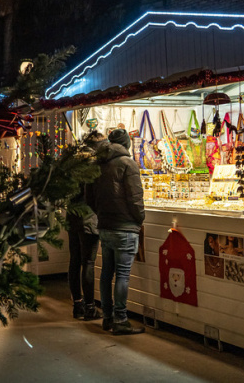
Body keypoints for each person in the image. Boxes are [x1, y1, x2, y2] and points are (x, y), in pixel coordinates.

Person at [88, 128, 145, 335]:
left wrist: (101, 215)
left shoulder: (98, 164)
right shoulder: (128, 164)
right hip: (125, 227)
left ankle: (107, 317)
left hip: (105, 226)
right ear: (127, 144)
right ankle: (120, 319)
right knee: (122, 274)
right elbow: (135, 198)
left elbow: (89, 197)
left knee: (106, 273)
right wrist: (139, 219)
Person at [66, 131, 105, 321]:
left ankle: (77, 305)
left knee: (74, 261)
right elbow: (94, 193)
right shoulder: (93, 163)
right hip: (88, 217)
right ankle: (90, 307)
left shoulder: (74, 162)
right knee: (88, 262)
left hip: (72, 215)